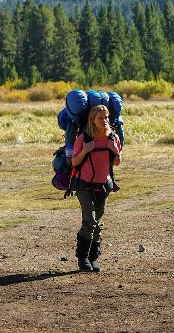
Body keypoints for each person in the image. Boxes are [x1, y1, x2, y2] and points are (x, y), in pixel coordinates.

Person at [71, 104, 121, 272]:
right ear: (92, 120)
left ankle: (93, 258)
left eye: (106, 117)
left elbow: (116, 162)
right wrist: (85, 151)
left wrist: (116, 151)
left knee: (98, 223)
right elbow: (74, 162)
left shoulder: (112, 137)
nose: (104, 120)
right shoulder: (84, 138)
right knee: (90, 221)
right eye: (100, 118)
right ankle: (82, 258)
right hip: (84, 185)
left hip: (104, 185)